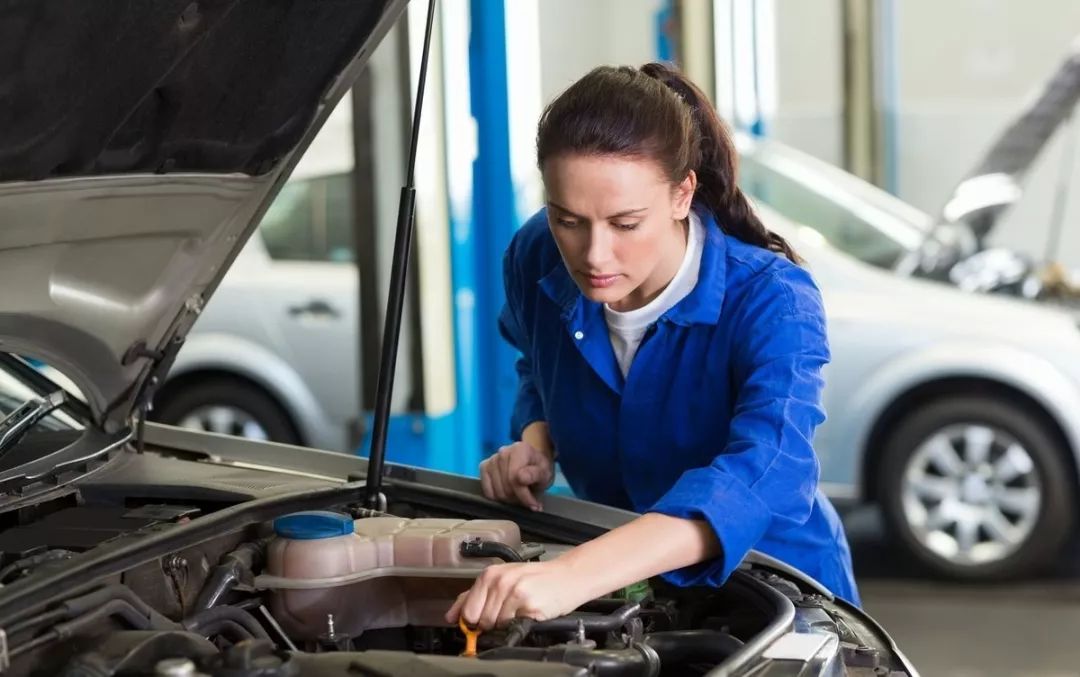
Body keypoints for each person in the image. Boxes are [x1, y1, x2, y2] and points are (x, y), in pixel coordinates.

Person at [446, 62, 860, 631]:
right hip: (626, 588)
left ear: (681, 194)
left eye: (625, 223)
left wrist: (573, 576)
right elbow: (534, 364)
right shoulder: (536, 254)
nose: (594, 256)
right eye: (569, 219)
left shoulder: (773, 299)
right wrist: (537, 442)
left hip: (776, 593)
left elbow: (767, 471)